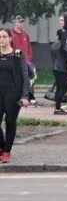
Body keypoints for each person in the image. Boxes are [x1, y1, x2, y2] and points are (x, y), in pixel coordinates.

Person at [0, 28, 31, 163]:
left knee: (10, 122)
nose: (1, 40)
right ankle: (2, 146)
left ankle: (7, 151)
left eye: (4, 37)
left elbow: (25, 76)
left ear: (10, 39)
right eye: (0, 37)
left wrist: (25, 96)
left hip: (13, 93)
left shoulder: (18, 54)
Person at [50, 27, 67, 115]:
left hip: (55, 68)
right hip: (62, 69)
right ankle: (57, 108)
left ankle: (57, 108)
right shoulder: (65, 45)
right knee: (62, 89)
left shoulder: (54, 44)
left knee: (58, 89)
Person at [11, 16, 35, 105]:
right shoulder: (11, 34)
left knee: (30, 78)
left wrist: (29, 57)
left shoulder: (25, 34)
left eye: (22, 22)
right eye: (19, 22)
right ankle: (18, 97)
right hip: (16, 60)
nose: (21, 23)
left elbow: (29, 48)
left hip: (27, 61)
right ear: (15, 22)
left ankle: (30, 96)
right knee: (17, 79)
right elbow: (11, 48)